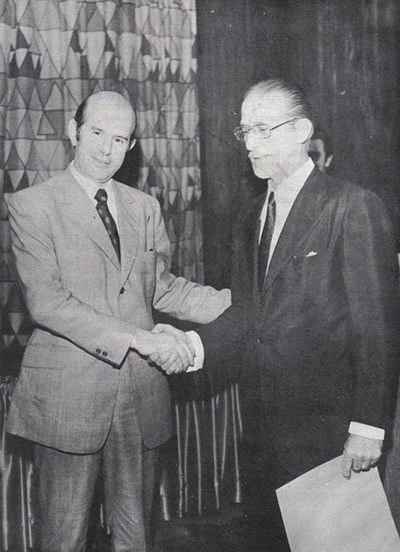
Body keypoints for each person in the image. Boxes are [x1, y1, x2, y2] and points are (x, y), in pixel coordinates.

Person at [155, 78, 400, 548]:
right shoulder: (250, 217)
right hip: (262, 435)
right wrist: (190, 345)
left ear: (301, 131)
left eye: (263, 129)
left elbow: (379, 331)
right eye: (245, 130)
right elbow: (248, 315)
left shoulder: (351, 206)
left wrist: (368, 428)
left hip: (331, 436)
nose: (249, 143)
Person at [6, 91, 231, 552]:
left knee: (136, 538)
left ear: (131, 147)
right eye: (97, 132)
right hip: (67, 399)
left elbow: (161, 288)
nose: (106, 149)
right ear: (73, 131)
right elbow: (47, 302)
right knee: (64, 540)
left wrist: (242, 306)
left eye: (120, 139)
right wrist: (141, 340)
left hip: (140, 397)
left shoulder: (144, 208)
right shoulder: (32, 205)